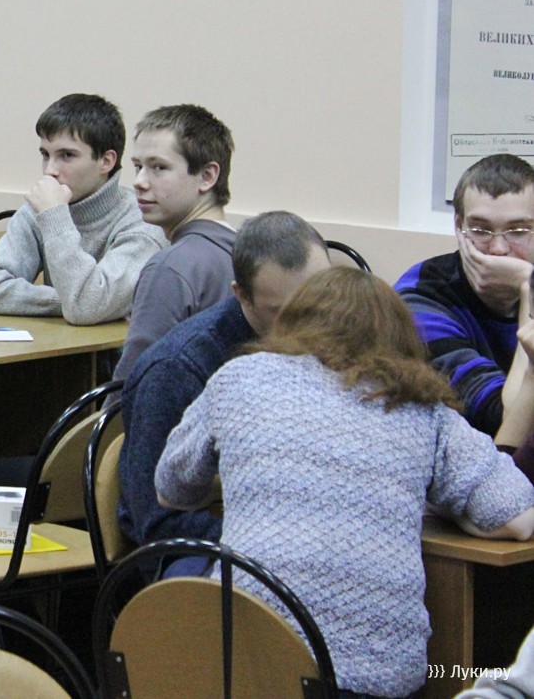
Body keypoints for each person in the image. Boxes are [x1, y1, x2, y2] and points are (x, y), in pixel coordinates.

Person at [156, 267, 534, 698]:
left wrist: (241, 474)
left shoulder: (239, 378)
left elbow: (170, 488)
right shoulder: (420, 407)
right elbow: (519, 517)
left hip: (245, 663)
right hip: (375, 678)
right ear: (400, 335)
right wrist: (443, 504)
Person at [117, 210, 330, 546]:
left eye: (319, 303)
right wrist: (278, 540)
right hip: (202, 553)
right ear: (241, 294)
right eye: (282, 312)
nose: (309, 322)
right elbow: (157, 522)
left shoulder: (336, 344)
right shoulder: (174, 370)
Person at [0, 93, 164, 323]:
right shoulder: (42, 210)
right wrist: (71, 301)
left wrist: (55, 217)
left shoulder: (142, 221)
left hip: (117, 346)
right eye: (45, 154)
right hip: (57, 342)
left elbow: (87, 307)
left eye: (67, 155)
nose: (50, 170)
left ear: (106, 161)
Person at [396, 153, 534, 436]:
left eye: (518, 231)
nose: (498, 249)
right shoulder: (420, 298)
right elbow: (506, 423)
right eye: (481, 230)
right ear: (459, 227)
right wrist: (528, 286)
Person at [113, 103, 236, 380]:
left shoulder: (169, 267)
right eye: (138, 167)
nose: (139, 182)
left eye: (159, 167)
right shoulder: (245, 253)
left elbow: (134, 386)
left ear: (207, 176)